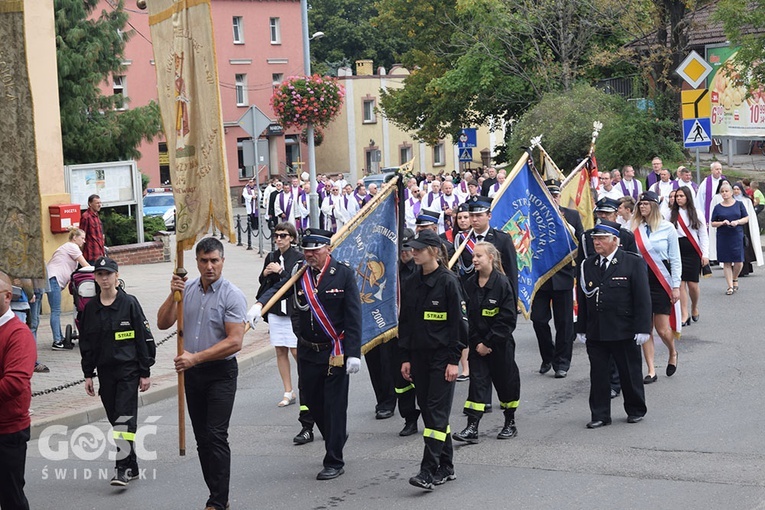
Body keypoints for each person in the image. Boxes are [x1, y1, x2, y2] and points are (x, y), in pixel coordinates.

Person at [250, 228, 362, 481]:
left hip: (335, 350)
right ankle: (336, 434)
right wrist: (259, 305)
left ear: (328, 249)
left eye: (315, 250)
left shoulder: (343, 274)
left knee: (334, 406)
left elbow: (354, 316)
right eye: (307, 250)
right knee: (312, 400)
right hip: (308, 349)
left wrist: (354, 353)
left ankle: (334, 459)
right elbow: (280, 288)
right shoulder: (300, 272)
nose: (310, 255)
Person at [157, 237, 247, 510]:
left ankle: (217, 501)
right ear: (196, 262)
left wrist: (195, 358)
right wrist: (172, 294)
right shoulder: (187, 289)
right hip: (192, 374)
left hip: (220, 372)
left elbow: (235, 342)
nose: (209, 266)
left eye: (214, 261)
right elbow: (163, 323)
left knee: (216, 434)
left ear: (222, 262)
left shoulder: (232, 295)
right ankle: (216, 492)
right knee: (202, 439)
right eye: (204, 261)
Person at [399, 229, 467, 490]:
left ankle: (427, 471)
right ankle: (447, 466)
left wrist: (454, 360)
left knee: (436, 414)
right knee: (429, 412)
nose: (413, 253)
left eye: (418, 249)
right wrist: (405, 357)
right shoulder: (411, 281)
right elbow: (405, 322)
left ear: (434, 251)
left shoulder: (449, 282)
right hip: (418, 357)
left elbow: (459, 326)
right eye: (412, 249)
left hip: (441, 358)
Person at [79, 257, 155, 488]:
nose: (104, 279)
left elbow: (143, 338)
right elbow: (87, 342)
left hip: (128, 371)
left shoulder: (129, 303)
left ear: (116, 275)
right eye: (100, 274)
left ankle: (121, 469)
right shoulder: (91, 308)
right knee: (116, 420)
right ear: (95, 277)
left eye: (108, 274)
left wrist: (145, 370)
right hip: (105, 372)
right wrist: (88, 374)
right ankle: (131, 463)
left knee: (124, 419)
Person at [575, 221, 651, 428]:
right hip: (597, 329)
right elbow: (583, 299)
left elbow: (642, 298)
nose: (596, 243)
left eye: (601, 239)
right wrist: (580, 327)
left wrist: (643, 328)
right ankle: (600, 414)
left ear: (615, 241)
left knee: (629, 372)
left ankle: (635, 409)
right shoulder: (588, 264)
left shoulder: (632, 262)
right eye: (594, 239)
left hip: (623, 329)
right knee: (598, 374)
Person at [452, 242, 519, 443]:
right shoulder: (469, 284)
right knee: (477, 385)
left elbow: (507, 319)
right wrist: (476, 342)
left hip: (499, 346)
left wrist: (488, 343)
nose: (474, 260)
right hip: (477, 345)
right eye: (473, 256)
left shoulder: (502, 283)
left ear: (491, 258)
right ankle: (472, 426)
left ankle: (509, 423)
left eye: (479, 256)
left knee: (506, 384)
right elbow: (466, 317)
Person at [530, 180, 583, 379]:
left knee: (564, 323)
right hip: (542, 276)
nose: (553, 198)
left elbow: (581, 243)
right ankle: (548, 356)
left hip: (563, 276)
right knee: (539, 320)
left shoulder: (571, 216)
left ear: (560, 196)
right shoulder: (535, 216)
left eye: (556, 195)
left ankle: (562, 362)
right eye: (549, 195)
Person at [631, 191, 681, 383]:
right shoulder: (634, 227)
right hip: (640, 279)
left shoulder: (668, 228)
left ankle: (672, 351)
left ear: (653, 205)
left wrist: (675, 286)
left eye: (645, 203)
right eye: (640, 204)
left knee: (662, 328)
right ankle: (651, 369)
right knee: (645, 327)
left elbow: (675, 259)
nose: (642, 207)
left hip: (661, 280)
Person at [256, 223, 303, 407]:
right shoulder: (271, 256)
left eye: (283, 235)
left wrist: (280, 271)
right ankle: (288, 391)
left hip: (292, 310)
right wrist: (266, 272)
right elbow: (263, 282)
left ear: (291, 237)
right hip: (276, 310)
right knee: (280, 349)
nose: (279, 239)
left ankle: (306, 385)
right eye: (276, 236)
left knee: (295, 350)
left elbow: (295, 282)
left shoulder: (298, 257)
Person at [0, 271, 36, 510]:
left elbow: (15, 382)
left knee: (11, 498)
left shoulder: (18, 333)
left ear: (6, 296)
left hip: (8, 430)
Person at [391, 229, 422, 436]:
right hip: (398, 332)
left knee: (422, 378)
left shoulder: (422, 271)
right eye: (401, 250)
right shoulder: (392, 271)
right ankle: (409, 418)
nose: (404, 254)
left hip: (419, 333)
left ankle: (429, 416)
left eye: (408, 249)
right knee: (401, 382)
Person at [668, 187, 708, 325]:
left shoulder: (697, 213)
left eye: (681, 196)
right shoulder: (671, 214)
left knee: (693, 285)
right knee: (680, 284)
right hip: (677, 250)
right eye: (676, 196)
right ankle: (684, 314)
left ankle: (694, 306)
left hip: (693, 251)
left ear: (688, 197)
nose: (678, 198)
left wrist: (705, 254)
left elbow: (703, 234)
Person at [468, 195, 519, 303]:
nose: (474, 219)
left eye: (479, 215)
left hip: (495, 294)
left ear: (489, 216)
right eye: (471, 215)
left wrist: (512, 301)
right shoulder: (462, 240)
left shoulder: (502, 239)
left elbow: (511, 271)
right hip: (470, 294)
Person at [46, 228, 91, 350]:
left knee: (55, 310)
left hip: (52, 279)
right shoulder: (72, 247)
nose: (84, 241)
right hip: (54, 279)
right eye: (82, 238)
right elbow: (85, 265)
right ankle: (57, 341)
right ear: (74, 238)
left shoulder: (66, 247)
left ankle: (59, 338)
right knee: (56, 311)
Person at [710, 182, 751, 295]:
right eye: (722, 192)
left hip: (736, 235)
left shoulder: (739, 204)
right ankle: (730, 286)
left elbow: (746, 218)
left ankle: (735, 278)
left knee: (739, 262)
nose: (724, 193)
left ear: (732, 193)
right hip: (723, 236)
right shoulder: (718, 207)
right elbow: (713, 223)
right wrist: (722, 223)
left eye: (726, 191)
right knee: (726, 262)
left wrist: (737, 222)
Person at [732, 181, 763, 277]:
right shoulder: (730, 200)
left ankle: (745, 268)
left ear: (741, 190)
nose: (736, 191)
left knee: (745, 248)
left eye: (738, 189)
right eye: (734, 189)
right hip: (733, 227)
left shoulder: (746, 200)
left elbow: (751, 215)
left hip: (745, 227)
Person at [80, 194, 106, 263]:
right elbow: (82, 235)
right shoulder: (86, 217)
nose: (99, 205)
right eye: (97, 203)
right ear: (90, 204)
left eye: (100, 203)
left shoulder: (96, 215)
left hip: (100, 253)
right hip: (91, 255)